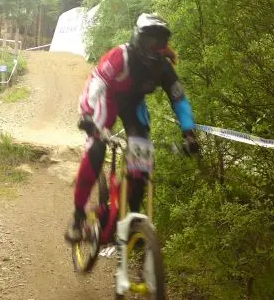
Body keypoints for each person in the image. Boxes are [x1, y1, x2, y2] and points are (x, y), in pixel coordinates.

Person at [64, 13, 200, 242]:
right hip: (105, 99)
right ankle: (78, 216)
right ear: (138, 38)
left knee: (141, 166)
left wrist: (189, 132)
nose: (155, 48)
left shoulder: (163, 68)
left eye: (160, 42)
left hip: (133, 105)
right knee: (96, 150)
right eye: (150, 41)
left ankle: (133, 225)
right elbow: (97, 84)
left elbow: (179, 98)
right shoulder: (121, 56)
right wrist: (88, 116)